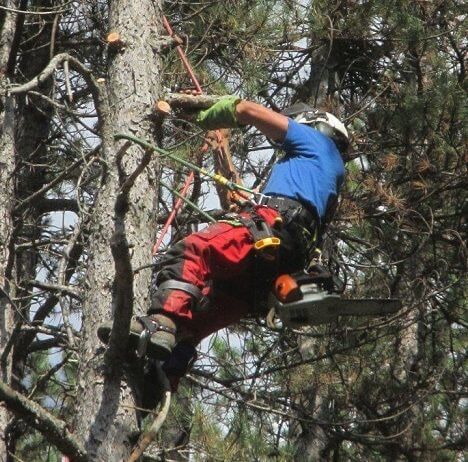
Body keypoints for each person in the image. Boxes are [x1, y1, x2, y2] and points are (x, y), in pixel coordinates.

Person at [98, 96, 349, 390]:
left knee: (194, 250)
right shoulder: (333, 175)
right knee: (204, 308)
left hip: (273, 225)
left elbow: (248, 110)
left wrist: (213, 114)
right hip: (279, 264)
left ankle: (161, 323)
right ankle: (162, 378)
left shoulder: (314, 141)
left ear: (316, 127)